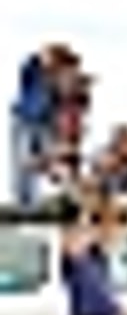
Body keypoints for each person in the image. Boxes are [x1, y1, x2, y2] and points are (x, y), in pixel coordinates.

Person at [10, 44, 74, 207]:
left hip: (45, 123)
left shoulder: (58, 83)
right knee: (24, 160)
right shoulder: (33, 72)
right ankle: (25, 199)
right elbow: (34, 62)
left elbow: (63, 104)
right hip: (24, 119)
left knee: (46, 156)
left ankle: (34, 194)